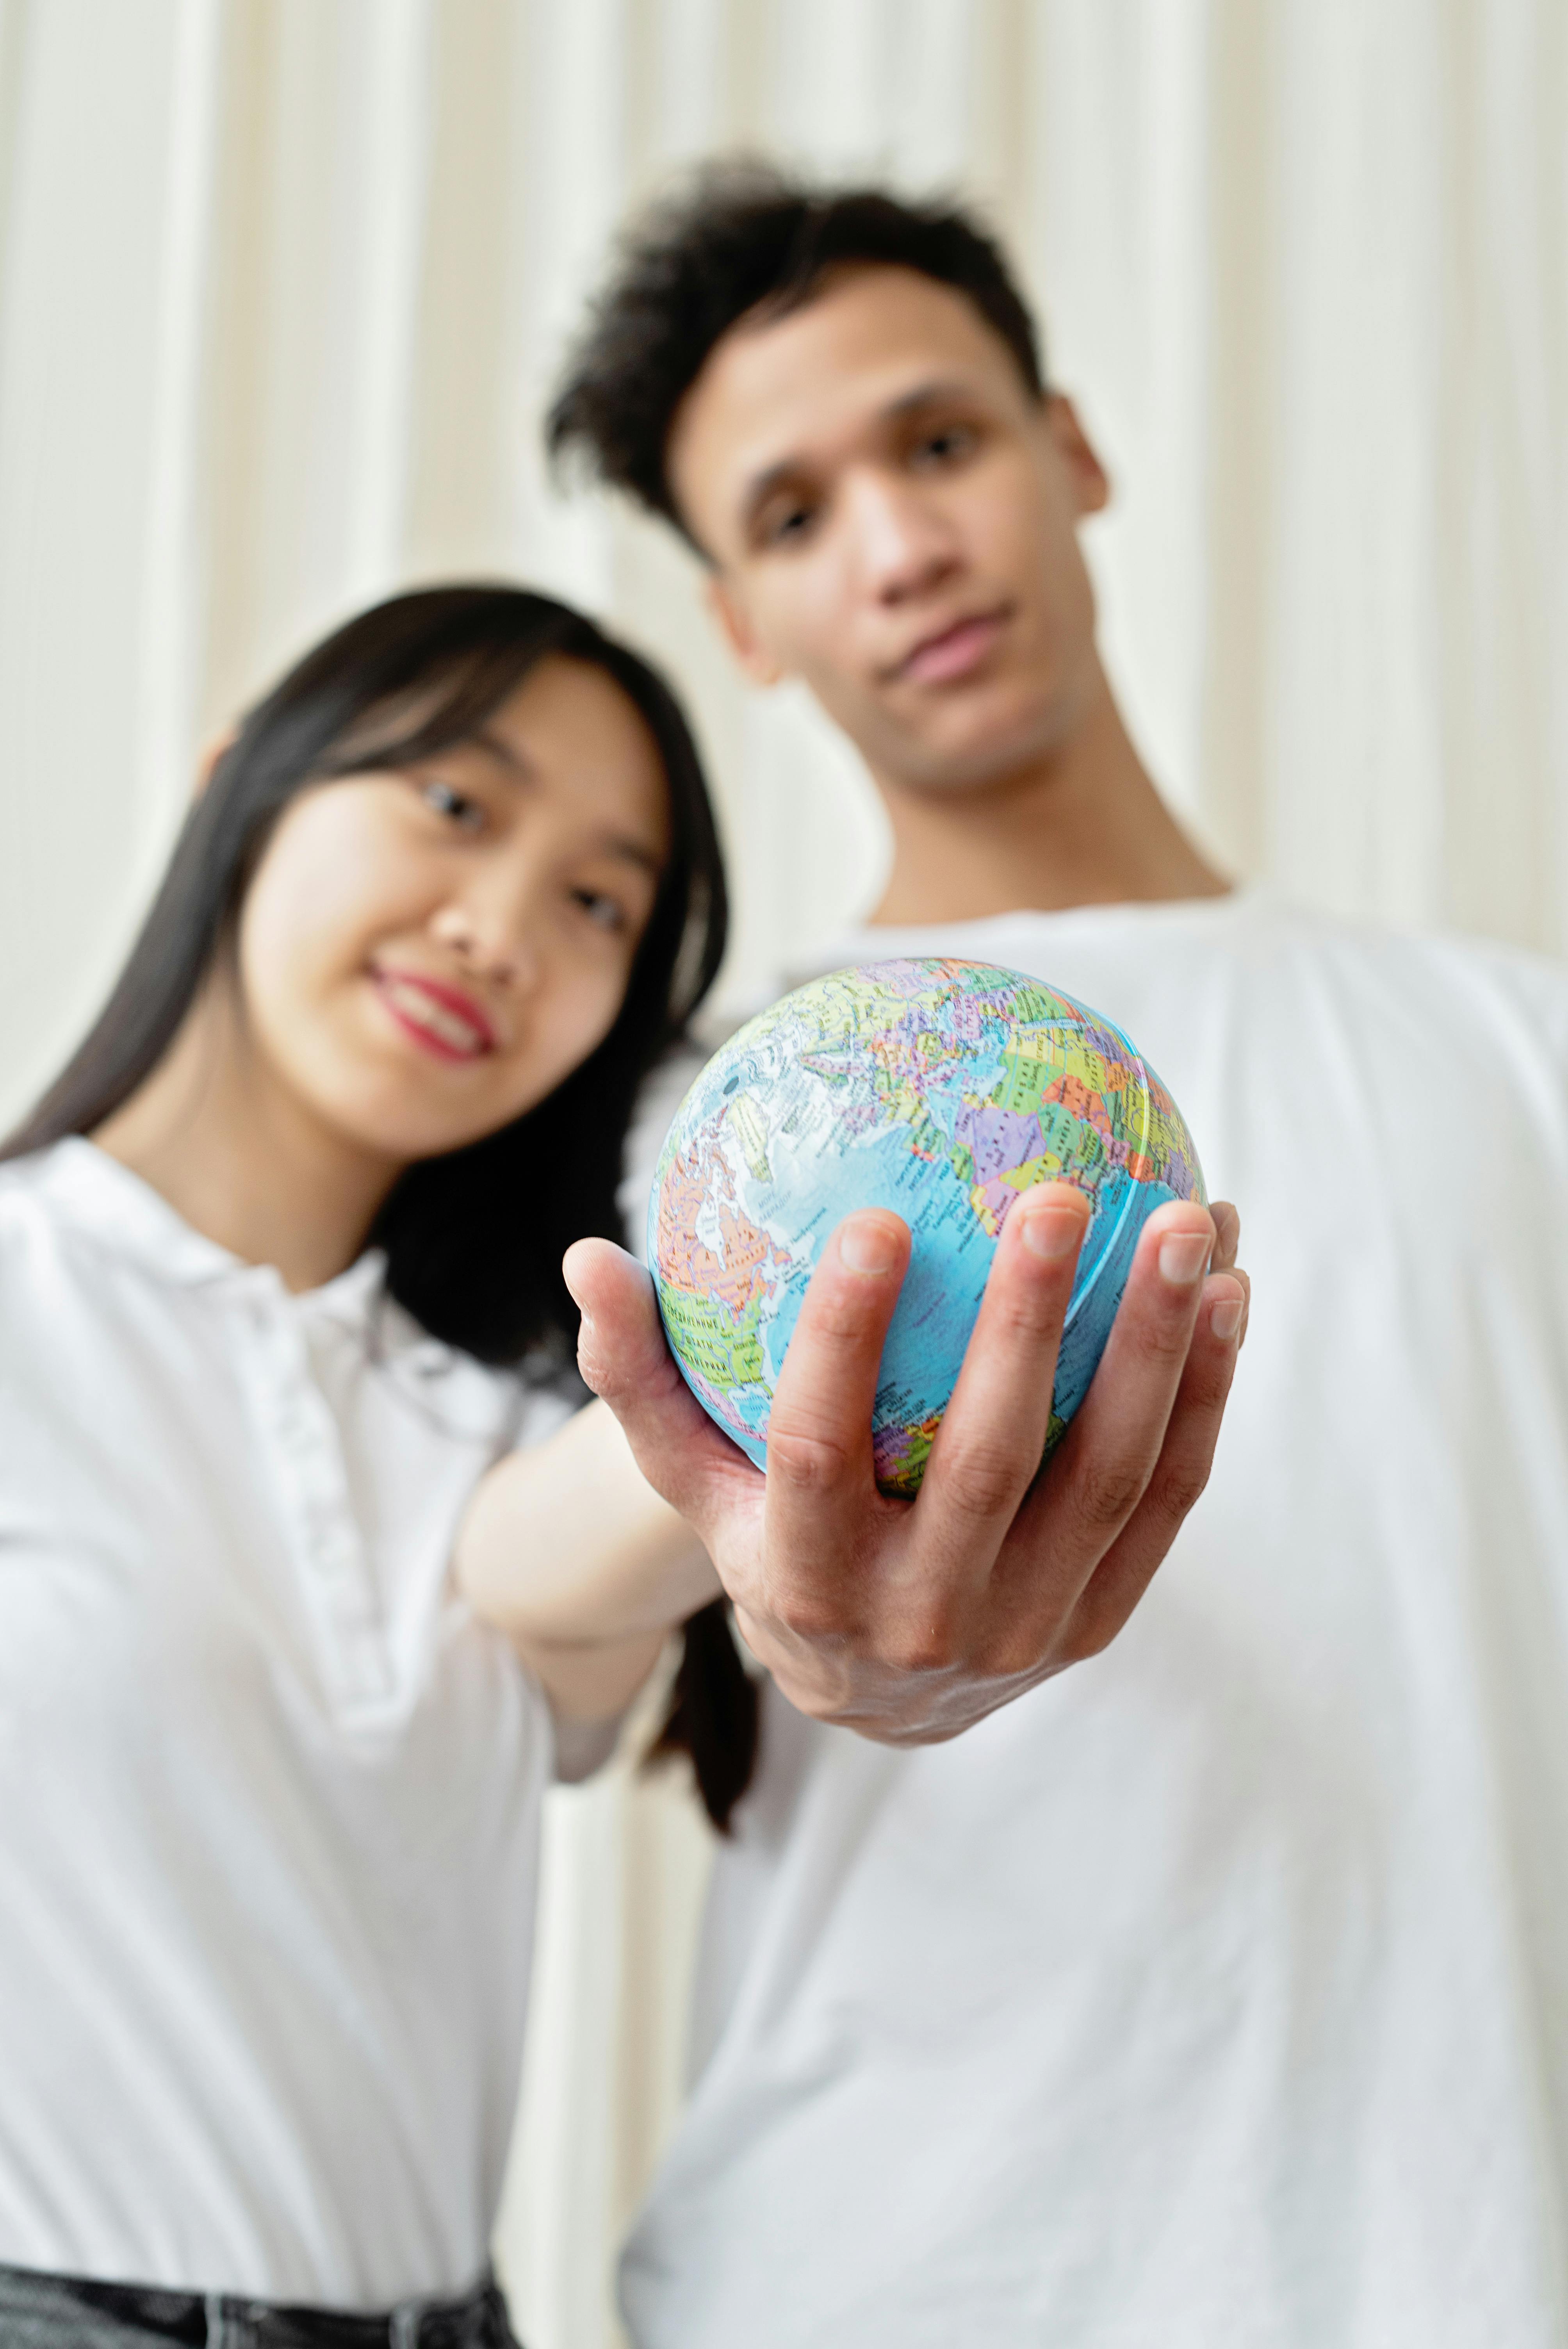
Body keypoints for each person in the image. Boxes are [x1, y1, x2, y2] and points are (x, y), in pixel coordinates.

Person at [548, 169, 1568, 2348]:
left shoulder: (1520, 1044)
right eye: (794, 515)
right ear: (742, 621)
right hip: (882, 2284)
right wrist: (756, 1571)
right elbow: (516, 1641)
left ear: (1071, 450)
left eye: (936, 442)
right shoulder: (693, 1150)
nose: (899, 546)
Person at [0, 577, 1237, 2348]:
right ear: (237, 785)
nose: (502, 929)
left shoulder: (505, 1398)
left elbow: (535, 1567)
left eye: (598, 901)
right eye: (455, 801)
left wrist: (758, 1448)